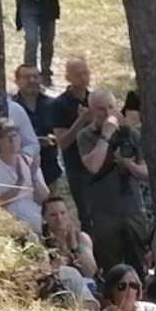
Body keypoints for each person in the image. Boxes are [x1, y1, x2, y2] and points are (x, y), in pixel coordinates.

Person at [75, 89, 151, 272]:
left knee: (138, 265)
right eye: (101, 109)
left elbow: (146, 173)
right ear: (91, 111)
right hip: (103, 213)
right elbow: (93, 166)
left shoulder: (131, 135)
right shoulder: (85, 136)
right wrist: (106, 135)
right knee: (111, 267)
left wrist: (127, 164)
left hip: (132, 210)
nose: (108, 113)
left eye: (111, 107)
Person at [0, 120, 48, 232]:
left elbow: (44, 198)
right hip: (12, 224)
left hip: (37, 221)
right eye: (6, 137)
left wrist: (34, 176)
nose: (12, 140)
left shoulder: (28, 162)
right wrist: (19, 184)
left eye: (15, 136)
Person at [50, 58, 94, 217]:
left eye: (86, 73)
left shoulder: (95, 99)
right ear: (68, 78)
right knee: (87, 215)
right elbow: (62, 143)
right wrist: (81, 121)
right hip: (78, 167)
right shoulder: (59, 105)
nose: (83, 77)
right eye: (78, 74)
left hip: (102, 166)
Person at [10, 0, 61, 87]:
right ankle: (29, 76)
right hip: (28, 1)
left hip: (47, 0)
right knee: (32, 39)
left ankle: (46, 75)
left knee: (48, 40)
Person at [11, 64, 58, 185]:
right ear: (17, 81)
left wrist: (52, 140)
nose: (32, 80)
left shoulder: (53, 105)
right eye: (26, 77)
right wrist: (35, 141)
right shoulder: (11, 108)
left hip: (49, 169)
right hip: (20, 171)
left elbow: (61, 134)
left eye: (35, 77)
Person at [41, 195, 96, 296]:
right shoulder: (41, 241)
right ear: (45, 218)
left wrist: (75, 247)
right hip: (58, 288)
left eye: (63, 213)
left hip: (85, 285)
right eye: (53, 215)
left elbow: (90, 271)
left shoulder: (81, 238)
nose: (59, 219)